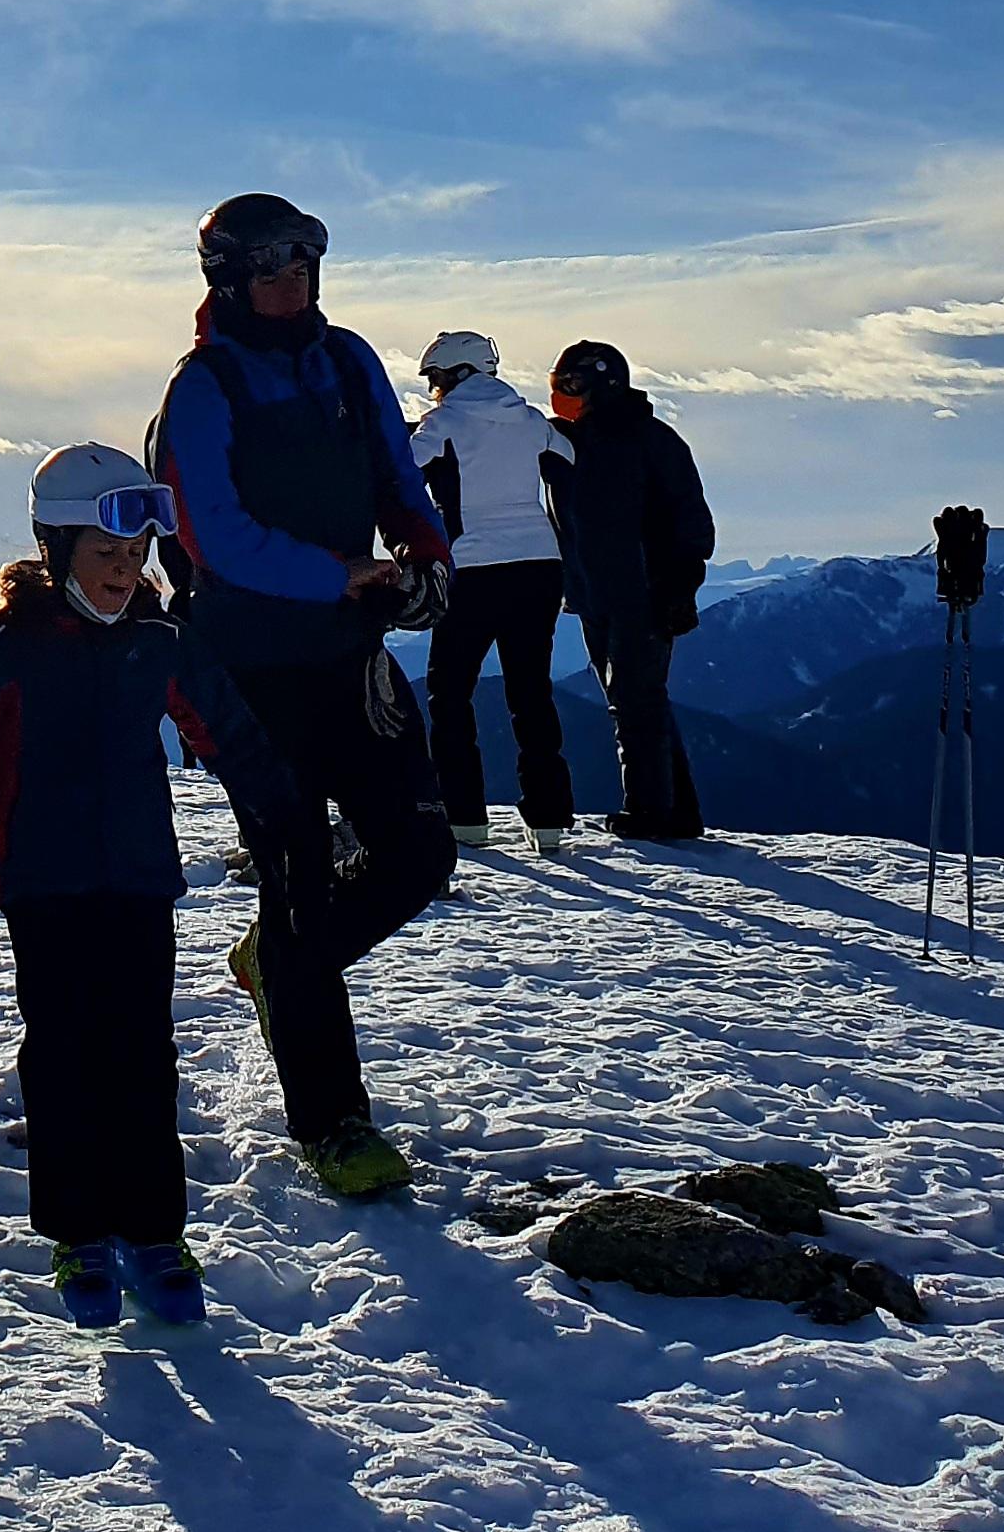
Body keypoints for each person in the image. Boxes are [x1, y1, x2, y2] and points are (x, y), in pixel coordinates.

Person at [0, 443, 306, 1332]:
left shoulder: (160, 640)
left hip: (138, 881)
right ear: (55, 549)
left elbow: (230, 733)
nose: (125, 569)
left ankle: (156, 1233)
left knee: (142, 1055)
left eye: (136, 553)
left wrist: (284, 820)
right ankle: (79, 1233)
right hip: (43, 887)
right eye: (105, 553)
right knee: (63, 1056)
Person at [149, 191, 457, 1201]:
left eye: (304, 262)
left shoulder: (348, 361)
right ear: (229, 278)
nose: (292, 279)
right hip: (249, 674)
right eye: (271, 265)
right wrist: (342, 573)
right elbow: (212, 538)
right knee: (297, 880)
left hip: (348, 656)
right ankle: (332, 1123)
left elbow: (397, 479)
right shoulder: (201, 389)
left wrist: (424, 556)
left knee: (419, 852)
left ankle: (279, 966)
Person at [403, 333, 576, 854]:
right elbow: (567, 460)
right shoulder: (529, 420)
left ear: (456, 374)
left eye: (435, 378)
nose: (433, 389)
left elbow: (402, 471)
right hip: (540, 566)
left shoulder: (442, 424)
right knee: (531, 691)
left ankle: (465, 818)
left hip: (473, 568)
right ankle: (548, 820)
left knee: (450, 691)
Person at [538, 340, 715, 841]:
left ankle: (651, 812)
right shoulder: (563, 442)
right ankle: (676, 811)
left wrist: (680, 586)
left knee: (637, 701)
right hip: (592, 594)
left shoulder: (652, 441)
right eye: (559, 384)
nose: (562, 394)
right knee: (636, 700)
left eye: (572, 384)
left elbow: (691, 521)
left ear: (606, 383)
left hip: (645, 593)